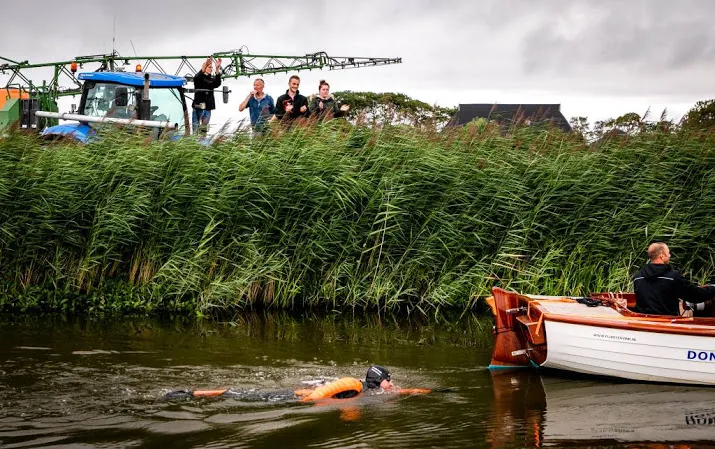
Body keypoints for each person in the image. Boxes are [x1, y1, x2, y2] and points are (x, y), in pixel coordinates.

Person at [163, 365, 430, 401]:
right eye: (388, 379)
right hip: (293, 395)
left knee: (244, 394)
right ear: (377, 381)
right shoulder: (356, 385)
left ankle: (195, 392)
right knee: (240, 394)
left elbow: (405, 390)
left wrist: (427, 391)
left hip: (301, 396)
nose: (392, 383)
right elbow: (327, 395)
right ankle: (192, 393)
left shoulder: (367, 388)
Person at [633, 242, 715, 316]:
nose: (670, 255)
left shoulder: (637, 277)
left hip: (643, 321)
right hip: (667, 323)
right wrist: (712, 289)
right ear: (662, 256)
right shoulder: (672, 277)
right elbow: (694, 295)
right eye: (668, 253)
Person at [192, 56, 222, 135]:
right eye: (209, 67)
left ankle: (202, 142)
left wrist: (217, 69)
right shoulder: (199, 78)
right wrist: (205, 64)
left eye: (211, 67)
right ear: (204, 68)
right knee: (195, 129)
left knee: (204, 130)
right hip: (198, 107)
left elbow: (217, 83)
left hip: (208, 107)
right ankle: (194, 141)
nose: (211, 69)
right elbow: (197, 77)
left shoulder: (211, 79)